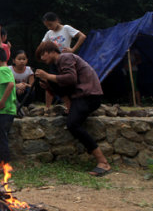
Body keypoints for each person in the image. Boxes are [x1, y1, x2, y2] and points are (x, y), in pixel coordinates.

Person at [34, 41, 111, 177]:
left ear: (50, 51)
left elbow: (70, 79)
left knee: (73, 124)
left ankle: (102, 161)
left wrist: (47, 76)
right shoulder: (57, 65)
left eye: (42, 55)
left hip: (89, 96)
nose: (42, 59)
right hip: (81, 97)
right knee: (71, 119)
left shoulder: (65, 57)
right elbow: (63, 88)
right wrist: (48, 85)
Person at [41, 12, 87, 109]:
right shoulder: (49, 33)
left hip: (66, 61)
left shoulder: (66, 28)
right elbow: (42, 45)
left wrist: (73, 49)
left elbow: (82, 36)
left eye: (50, 24)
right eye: (47, 26)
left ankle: (71, 105)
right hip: (54, 61)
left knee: (68, 82)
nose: (49, 27)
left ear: (57, 20)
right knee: (50, 82)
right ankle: (47, 107)